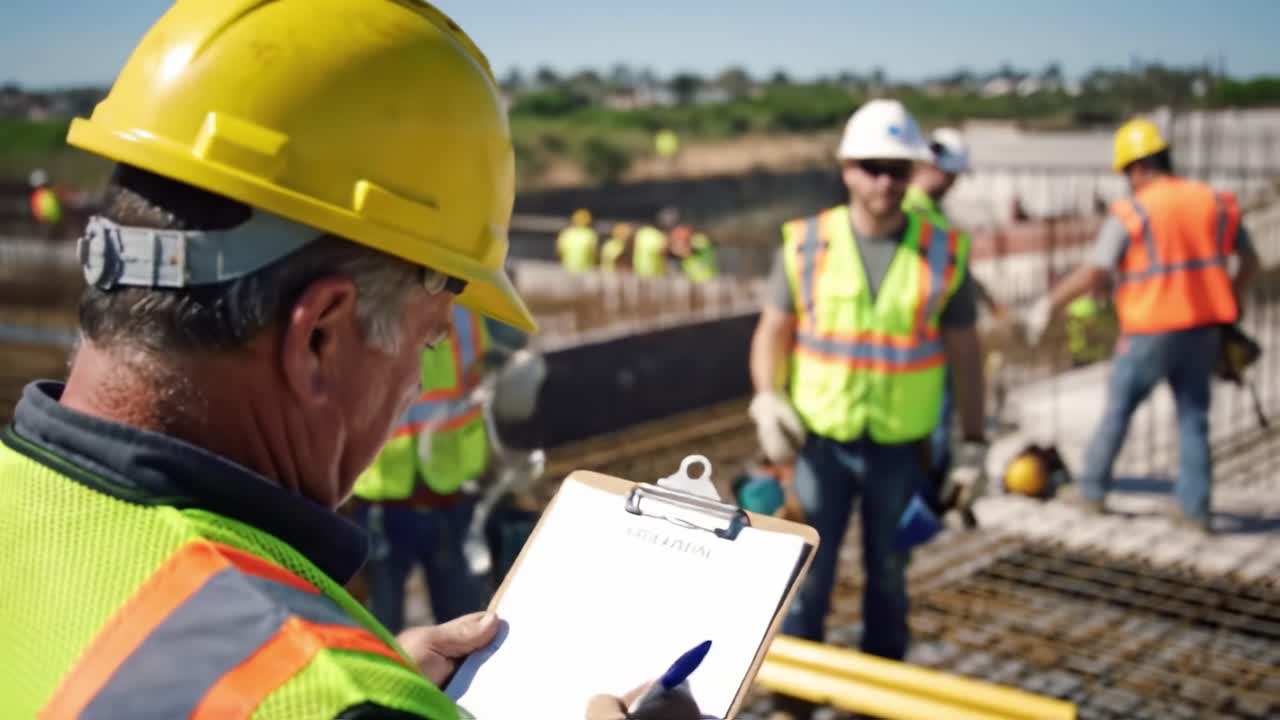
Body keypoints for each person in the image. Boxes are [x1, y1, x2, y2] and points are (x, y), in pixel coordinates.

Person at [0, 2, 680, 717]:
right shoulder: (331, 700)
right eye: (427, 340)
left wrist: (371, 669)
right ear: (319, 337)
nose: (421, 379)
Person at [748, 99, 987, 694]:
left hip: (900, 449)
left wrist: (976, 444)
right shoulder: (806, 243)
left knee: (888, 574)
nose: (884, 181)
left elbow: (966, 354)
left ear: (913, 174)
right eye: (871, 166)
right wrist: (766, 397)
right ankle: (797, 695)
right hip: (819, 444)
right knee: (804, 572)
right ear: (847, 168)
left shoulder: (944, 250)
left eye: (897, 169)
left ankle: (879, 693)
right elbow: (772, 331)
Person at [1022, 118, 1261, 532]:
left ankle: (1092, 490)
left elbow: (1096, 271)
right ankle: (1194, 509)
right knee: (1193, 418)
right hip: (1203, 327)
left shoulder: (1133, 211)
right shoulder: (1213, 200)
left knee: (1119, 410)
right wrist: (1231, 298)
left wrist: (1050, 302)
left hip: (1150, 329)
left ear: (1135, 169)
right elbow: (1251, 260)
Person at [351, 304, 509, 633]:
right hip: (383, 495)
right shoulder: (362, 296)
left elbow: (499, 368)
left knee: (466, 630)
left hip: (451, 494)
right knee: (376, 634)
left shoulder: (466, 306)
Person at [904, 128, 1005, 484]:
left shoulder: (929, 212)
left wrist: (984, 295)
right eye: (952, 176)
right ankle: (932, 485)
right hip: (928, 336)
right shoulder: (915, 212)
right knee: (933, 418)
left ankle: (934, 481)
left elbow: (951, 268)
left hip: (932, 331)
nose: (954, 184)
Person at [557, 208, 599, 272]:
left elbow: (594, 252)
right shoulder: (567, 233)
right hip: (569, 269)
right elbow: (560, 251)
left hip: (585, 269)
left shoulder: (590, 234)